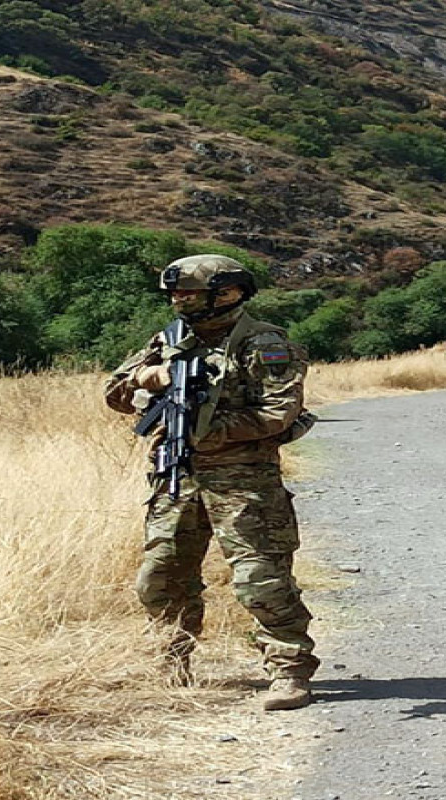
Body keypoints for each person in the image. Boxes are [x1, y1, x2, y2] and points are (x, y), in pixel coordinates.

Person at [105, 254, 319, 711]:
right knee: (159, 578)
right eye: (176, 293)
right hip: (177, 476)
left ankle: (289, 670)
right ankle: (172, 663)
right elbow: (115, 392)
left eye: (189, 292)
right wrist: (147, 376)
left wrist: (209, 431)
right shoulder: (169, 340)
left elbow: (277, 412)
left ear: (226, 294)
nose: (179, 300)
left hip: (244, 482)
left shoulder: (263, 344)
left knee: (260, 579)